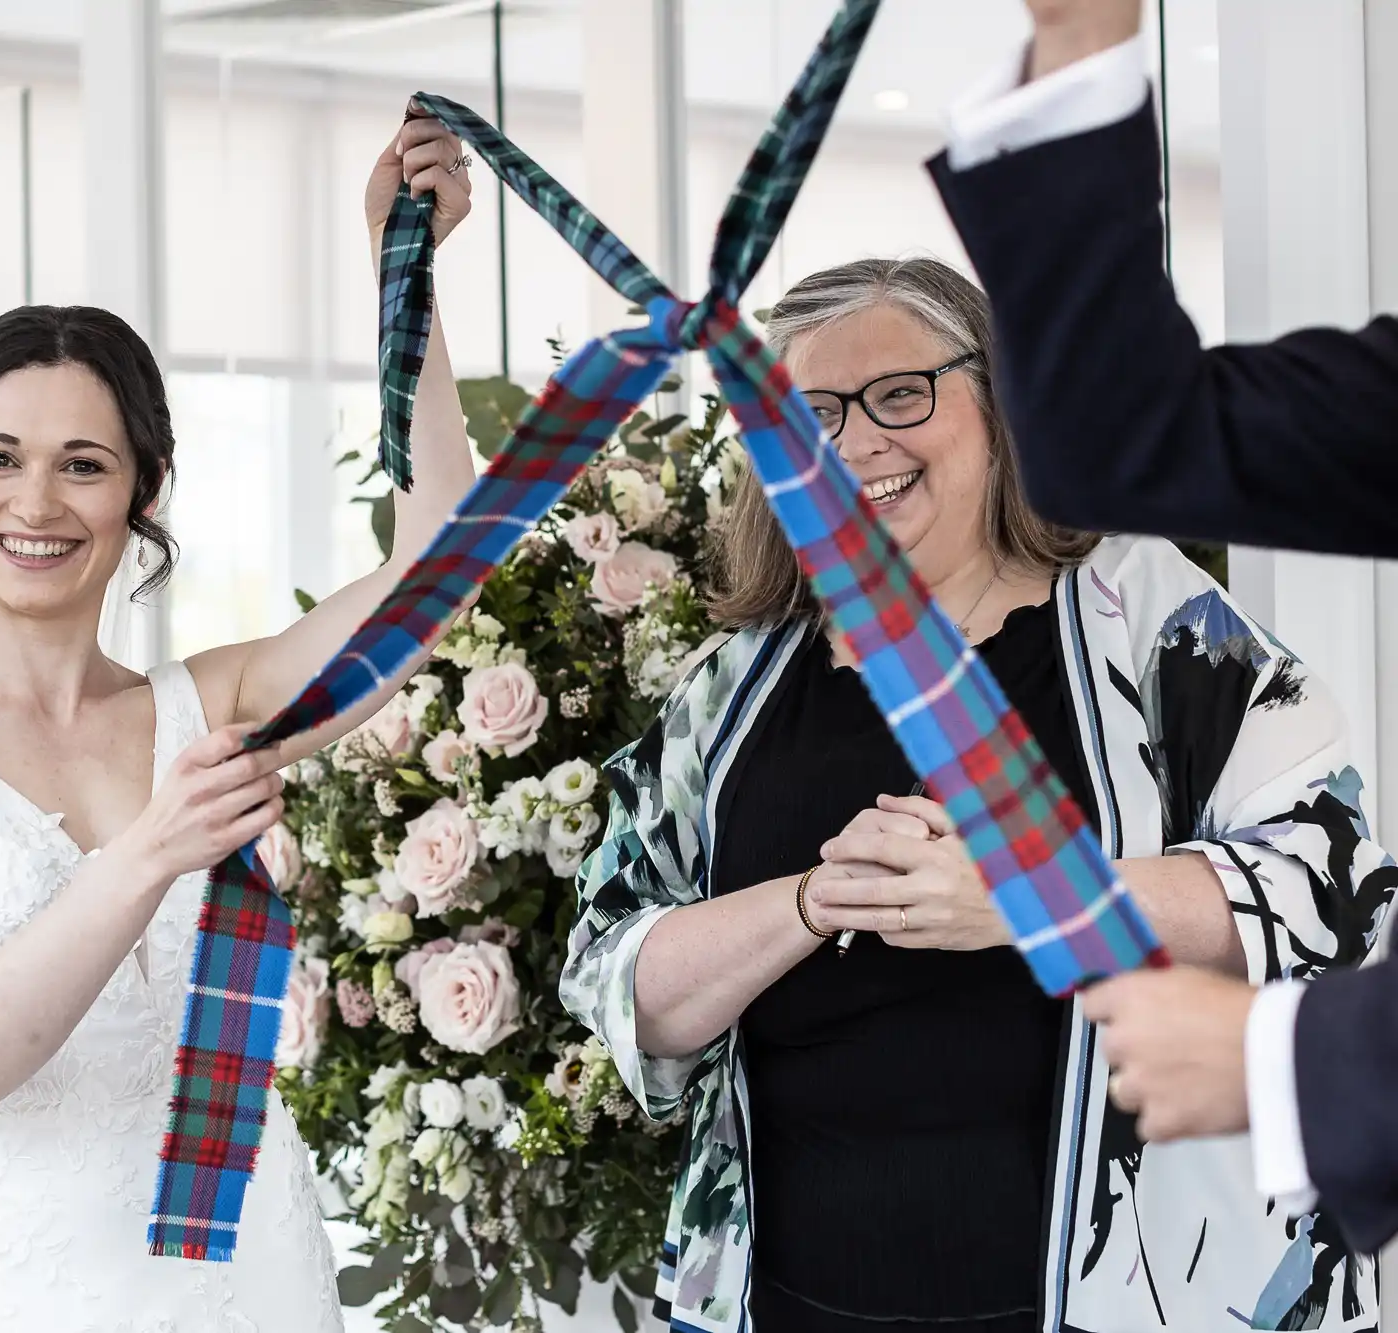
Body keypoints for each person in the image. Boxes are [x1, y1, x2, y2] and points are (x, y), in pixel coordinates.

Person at [559, 257, 1389, 1332]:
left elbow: (1335, 881)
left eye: (899, 394)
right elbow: (617, 971)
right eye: (810, 414)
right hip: (798, 1302)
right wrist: (812, 900)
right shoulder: (733, 687)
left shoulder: (1148, 621)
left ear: (998, 399)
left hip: (1137, 1300)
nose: (855, 444)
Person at [0, 114, 475, 1333]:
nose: (35, 502)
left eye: (84, 464)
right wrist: (150, 852)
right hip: (19, 1290)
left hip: (244, 1275)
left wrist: (404, 280)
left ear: (142, 491)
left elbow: (440, 573)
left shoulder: (211, 710)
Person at [929, 0, 1398, 1257]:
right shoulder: (739, 675)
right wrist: (1080, 39)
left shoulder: (1177, 635)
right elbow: (1119, 440)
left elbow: (1331, 865)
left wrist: (1303, 1057)